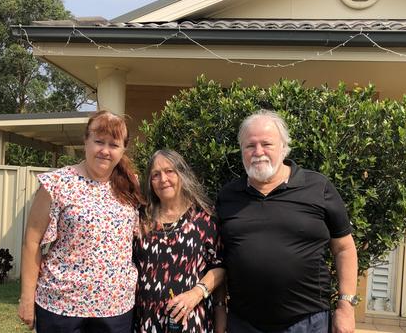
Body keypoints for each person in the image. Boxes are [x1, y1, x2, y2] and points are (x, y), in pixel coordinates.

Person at [216, 110, 358, 333]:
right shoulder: (228, 196)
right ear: (241, 150)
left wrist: (346, 306)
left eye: (267, 144)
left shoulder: (318, 187)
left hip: (307, 322)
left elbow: (344, 248)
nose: (258, 152)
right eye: (250, 146)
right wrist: (220, 308)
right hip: (244, 323)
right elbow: (221, 259)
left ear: (284, 147)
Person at [18, 110, 143, 332]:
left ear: (123, 149)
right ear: (85, 141)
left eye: (114, 145)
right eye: (98, 142)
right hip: (62, 307)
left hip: (116, 308)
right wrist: (27, 298)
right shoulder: (56, 183)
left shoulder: (131, 187)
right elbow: (31, 243)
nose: (105, 151)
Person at [133, 149, 226, 333]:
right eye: (155, 175)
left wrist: (196, 293)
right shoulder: (140, 218)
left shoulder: (203, 218)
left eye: (170, 171)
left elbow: (220, 266)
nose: (163, 179)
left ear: (182, 174)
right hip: (146, 320)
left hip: (191, 321)